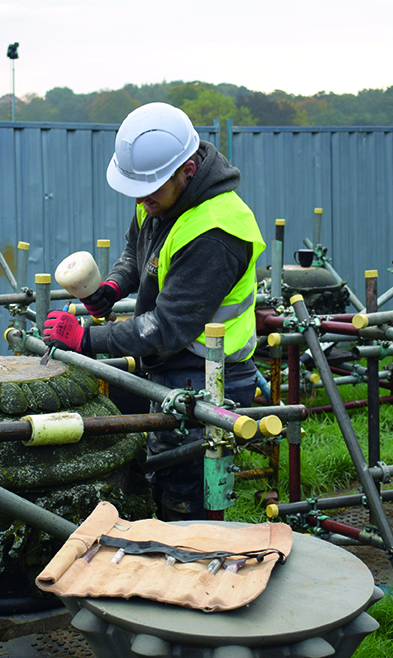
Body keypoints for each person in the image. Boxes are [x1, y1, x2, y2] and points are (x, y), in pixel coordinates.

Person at [43, 102, 265, 521]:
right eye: (136, 192)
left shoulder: (216, 231)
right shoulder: (160, 193)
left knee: (187, 497)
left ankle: (196, 574)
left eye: (151, 192)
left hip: (209, 378)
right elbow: (137, 249)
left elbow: (166, 328)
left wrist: (86, 340)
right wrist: (113, 286)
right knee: (162, 479)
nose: (143, 201)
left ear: (188, 169)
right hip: (174, 367)